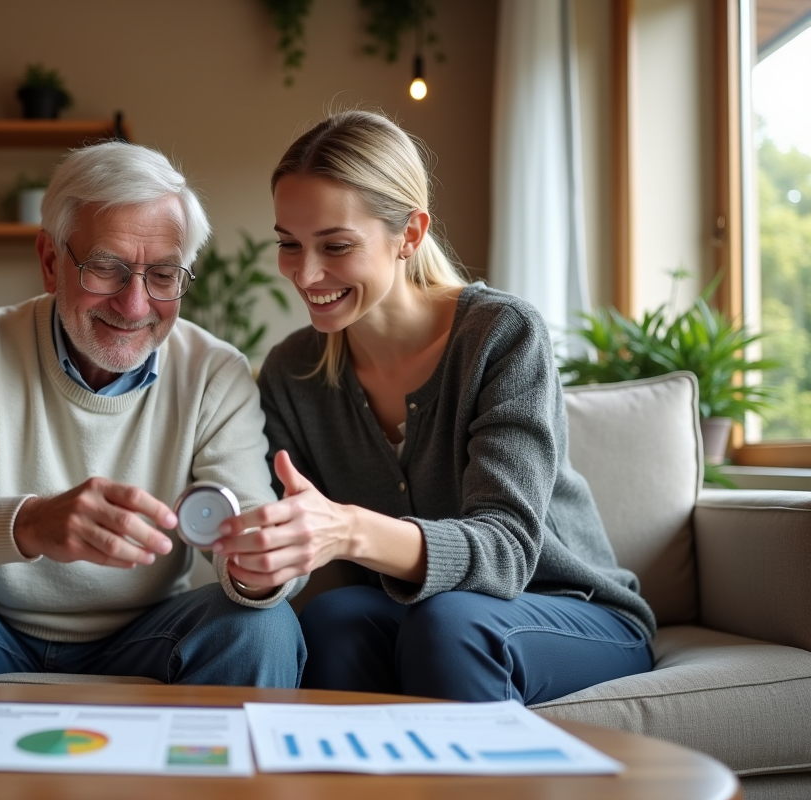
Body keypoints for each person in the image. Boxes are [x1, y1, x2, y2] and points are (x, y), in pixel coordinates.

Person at [0, 141, 306, 690]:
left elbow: (251, 521)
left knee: (265, 629)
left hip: (148, 634)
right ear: (50, 261)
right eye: (106, 268)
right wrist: (28, 524)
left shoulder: (214, 372)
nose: (134, 305)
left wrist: (262, 565)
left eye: (164, 275)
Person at [214, 110, 654, 704]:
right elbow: (294, 551)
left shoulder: (500, 335)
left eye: (336, 245)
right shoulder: (293, 372)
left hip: (570, 608)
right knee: (333, 619)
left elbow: (505, 553)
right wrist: (261, 556)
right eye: (289, 244)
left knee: (450, 624)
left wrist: (348, 529)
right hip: (426, 612)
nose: (306, 273)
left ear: (410, 235)